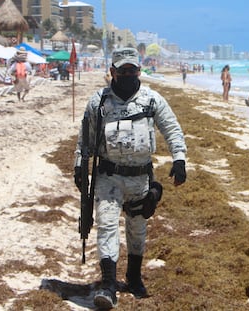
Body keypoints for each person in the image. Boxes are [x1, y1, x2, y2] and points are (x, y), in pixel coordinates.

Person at [73, 47, 187, 309]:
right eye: (122, 70)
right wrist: (79, 166)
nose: (128, 74)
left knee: (137, 229)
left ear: (139, 71)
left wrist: (179, 159)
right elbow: (85, 140)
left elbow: (172, 129)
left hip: (140, 178)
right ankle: (109, 285)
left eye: (132, 70)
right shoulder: (98, 102)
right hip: (108, 176)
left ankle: (134, 278)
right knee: (107, 225)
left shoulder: (151, 100)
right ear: (112, 72)